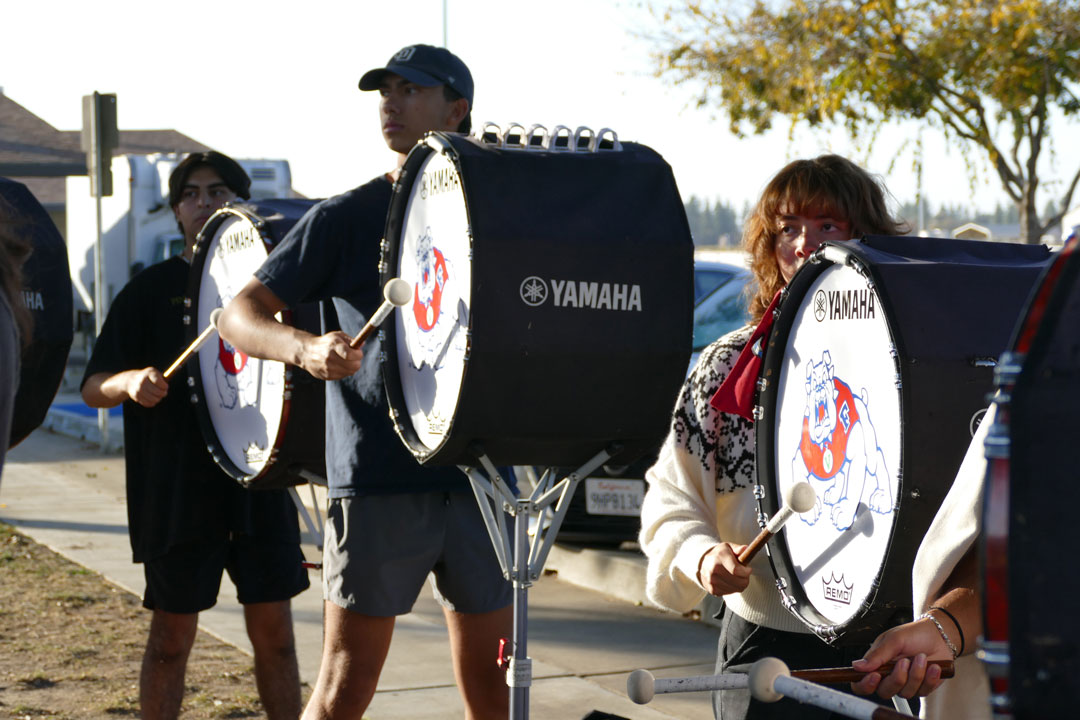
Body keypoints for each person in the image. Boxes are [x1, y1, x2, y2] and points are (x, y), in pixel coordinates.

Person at [217, 45, 512, 720]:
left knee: (495, 692)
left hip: (481, 474)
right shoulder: (348, 215)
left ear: (457, 108)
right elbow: (238, 315)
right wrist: (306, 348)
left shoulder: (502, 211)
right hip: (380, 478)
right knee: (344, 692)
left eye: (411, 90)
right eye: (386, 90)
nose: (391, 102)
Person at [639, 154, 908, 719]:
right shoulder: (728, 364)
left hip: (883, 650)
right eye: (788, 229)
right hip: (761, 645)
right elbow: (671, 497)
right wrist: (701, 555)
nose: (804, 245)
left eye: (827, 226)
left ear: (865, 235)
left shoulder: (907, 365)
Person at [81, 151, 309, 720]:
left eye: (218, 191)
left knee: (277, 636)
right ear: (177, 209)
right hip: (178, 489)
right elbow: (92, 386)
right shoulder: (146, 290)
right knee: (171, 641)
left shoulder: (271, 288)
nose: (204, 202)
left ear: (240, 202)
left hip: (260, 482)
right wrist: (129, 382)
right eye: (191, 193)